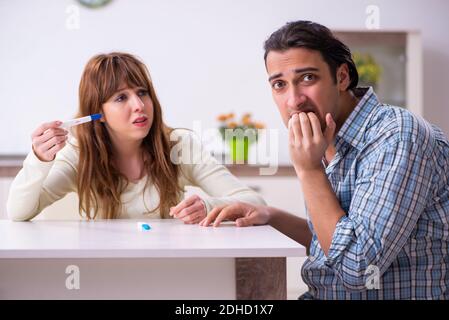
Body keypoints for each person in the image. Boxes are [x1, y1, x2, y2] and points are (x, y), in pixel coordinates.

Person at [200, 21, 449, 299]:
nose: (294, 100)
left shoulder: (398, 137)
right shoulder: (327, 138)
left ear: (342, 77)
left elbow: (357, 268)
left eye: (307, 78)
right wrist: (271, 216)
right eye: (279, 84)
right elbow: (331, 243)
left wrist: (308, 170)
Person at [7, 52, 265, 221]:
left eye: (142, 93)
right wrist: (39, 159)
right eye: (121, 97)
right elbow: (18, 213)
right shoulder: (79, 155)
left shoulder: (179, 146)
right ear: (98, 113)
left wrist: (209, 205)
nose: (139, 105)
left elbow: (254, 202)